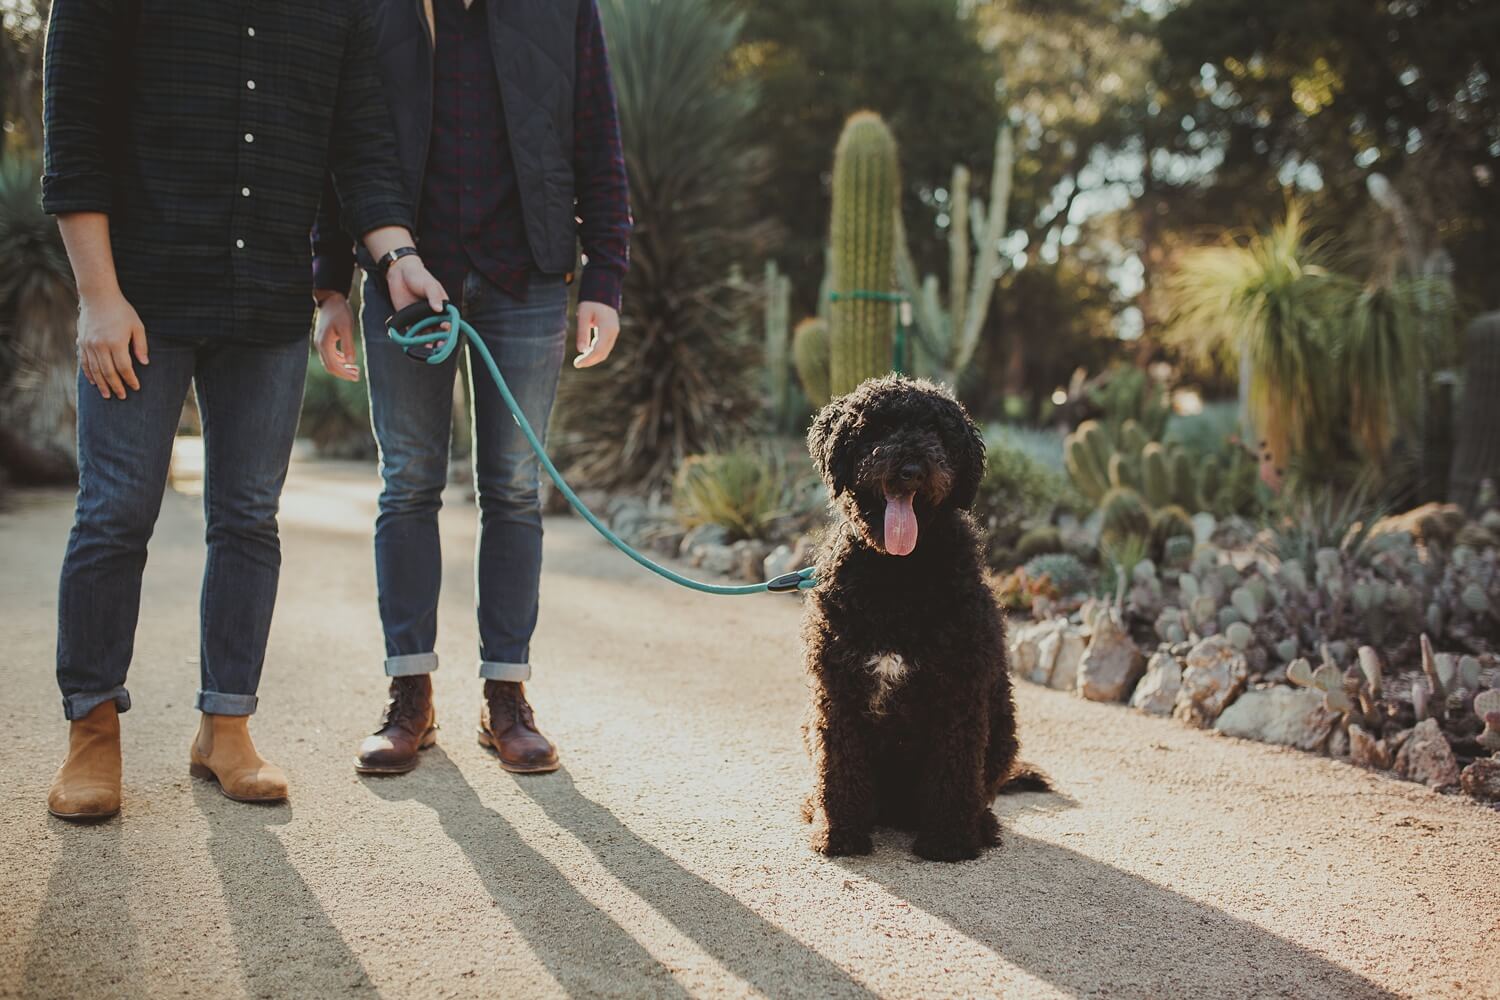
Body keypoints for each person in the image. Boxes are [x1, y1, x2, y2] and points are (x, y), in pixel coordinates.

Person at [42, 0, 448, 821]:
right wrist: (97, 297)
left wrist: (396, 257)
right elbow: (73, 131)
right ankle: (91, 732)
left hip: (263, 306)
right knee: (116, 512)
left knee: (247, 518)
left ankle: (226, 725)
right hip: (138, 301)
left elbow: (360, 143)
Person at [310, 0, 630, 776]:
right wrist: (328, 287)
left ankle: (507, 698)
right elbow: (343, 142)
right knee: (408, 483)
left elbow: (598, 140)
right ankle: (408, 694)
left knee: (516, 489)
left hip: (527, 275)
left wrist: (605, 279)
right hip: (404, 279)